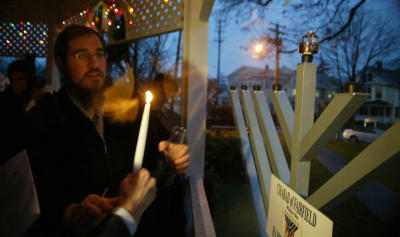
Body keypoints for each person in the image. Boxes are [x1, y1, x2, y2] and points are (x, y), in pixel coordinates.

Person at [24, 25, 190, 236]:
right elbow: (34, 203)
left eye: (99, 54)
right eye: (81, 55)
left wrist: (168, 157)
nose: (94, 64)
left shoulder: (129, 111)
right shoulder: (44, 122)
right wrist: (70, 214)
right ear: (60, 63)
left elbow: (154, 162)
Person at [0, 60, 31, 164]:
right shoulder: (5, 101)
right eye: (13, 79)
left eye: (20, 79)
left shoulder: (30, 98)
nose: (16, 83)